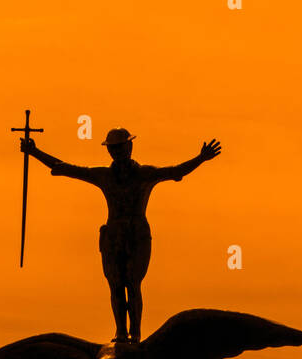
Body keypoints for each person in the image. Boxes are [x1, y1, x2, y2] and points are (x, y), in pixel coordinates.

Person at [22, 127, 221, 342]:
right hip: (113, 237)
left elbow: (175, 172)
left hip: (137, 236)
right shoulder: (104, 176)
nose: (116, 152)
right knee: (116, 284)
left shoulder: (144, 174)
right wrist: (35, 152)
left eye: (119, 147)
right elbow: (63, 168)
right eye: (112, 149)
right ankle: (120, 331)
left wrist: (201, 158)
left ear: (130, 147)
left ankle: (135, 333)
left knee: (133, 283)